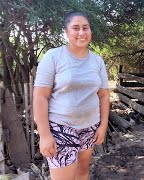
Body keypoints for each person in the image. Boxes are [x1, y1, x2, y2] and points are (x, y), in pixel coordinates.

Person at [33, 10, 110, 180]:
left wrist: (102, 126)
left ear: (90, 31)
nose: (81, 33)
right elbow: (40, 96)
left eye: (85, 28)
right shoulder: (54, 56)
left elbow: (104, 95)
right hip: (61, 128)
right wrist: (45, 135)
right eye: (75, 28)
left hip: (89, 128)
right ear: (66, 32)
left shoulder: (97, 61)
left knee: (82, 172)